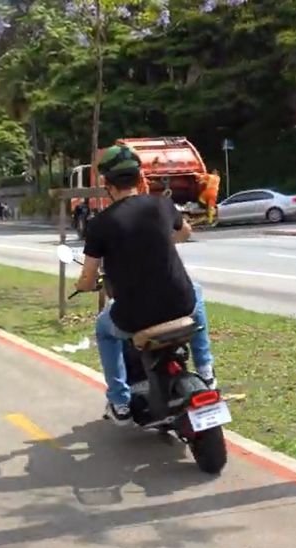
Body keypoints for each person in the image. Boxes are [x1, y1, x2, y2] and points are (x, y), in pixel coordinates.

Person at [74, 145, 216, 425]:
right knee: (195, 293)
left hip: (134, 319)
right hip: (180, 305)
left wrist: (84, 285)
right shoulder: (162, 205)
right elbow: (185, 233)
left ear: (107, 184)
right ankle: (206, 369)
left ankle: (120, 402)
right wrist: (159, 241)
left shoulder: (100, 224)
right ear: (140, 178)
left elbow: (89, 277)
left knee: (104, 330)